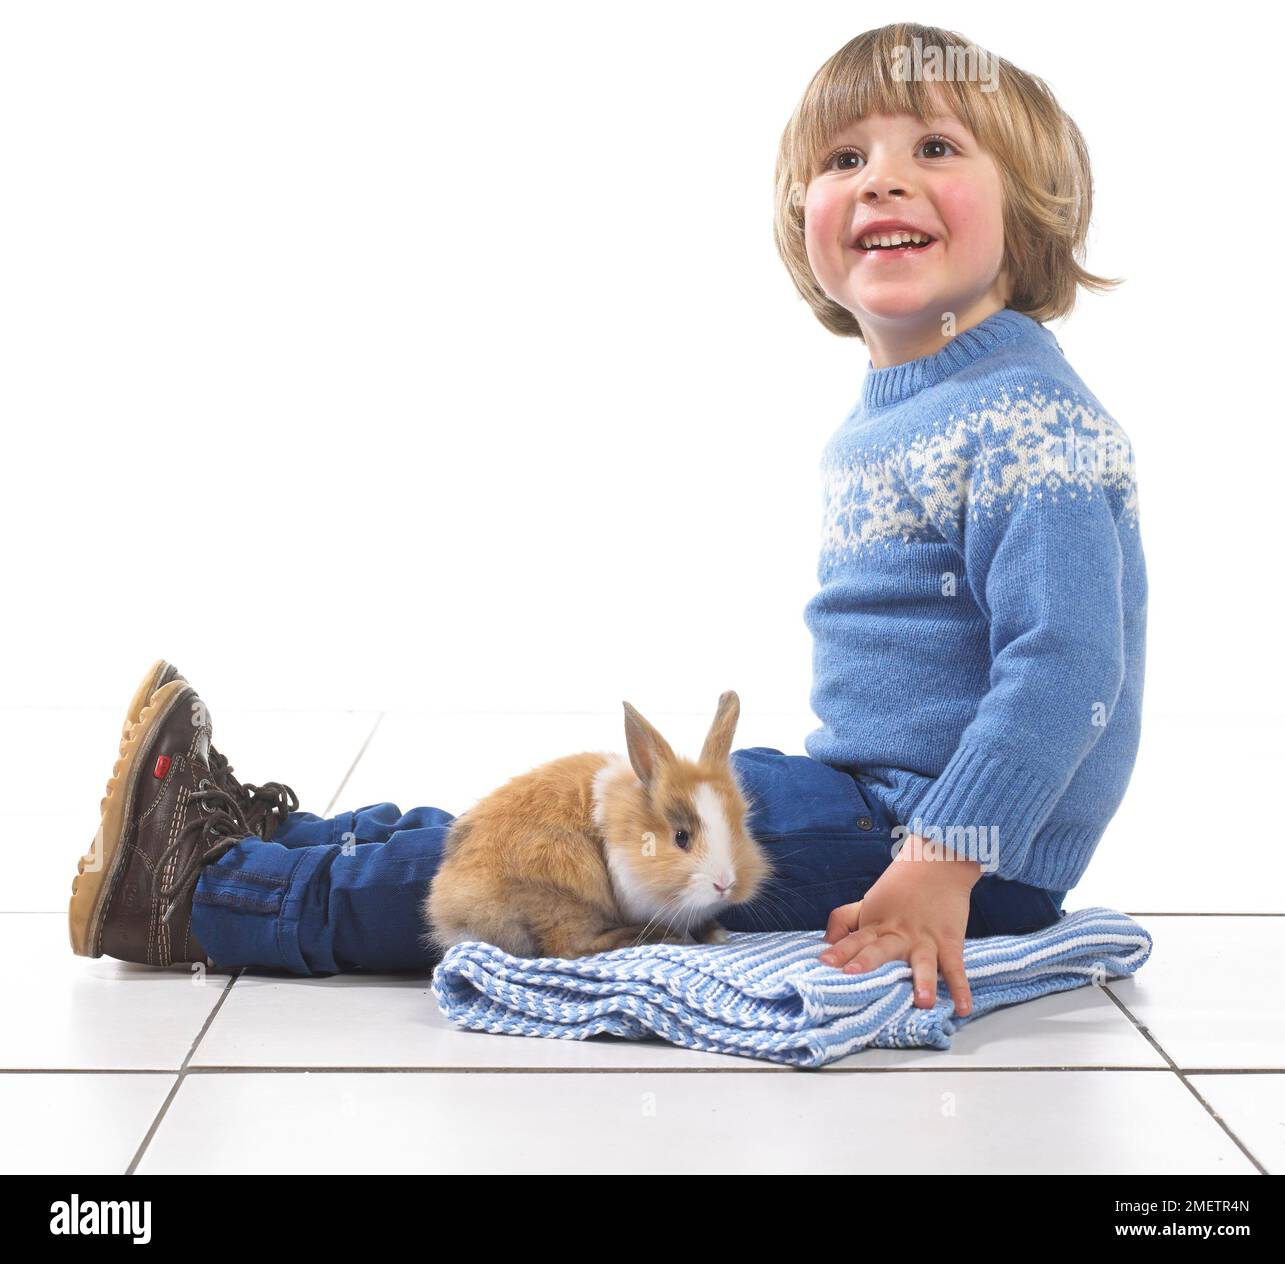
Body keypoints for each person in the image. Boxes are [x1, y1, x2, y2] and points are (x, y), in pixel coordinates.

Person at [68, 22, 1145, 1018]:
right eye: (844, 159)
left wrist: (938, 865)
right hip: (874, 804)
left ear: (1031, 202)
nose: (885, 179)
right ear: (798, 217)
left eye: (937, 149)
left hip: (944, 844)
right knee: (576, 814)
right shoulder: (923, 402)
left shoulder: (1023, 417)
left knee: (563, 864)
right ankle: (275, 843)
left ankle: (205, 895)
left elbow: (1067, 669)